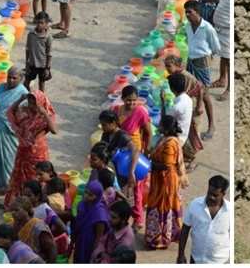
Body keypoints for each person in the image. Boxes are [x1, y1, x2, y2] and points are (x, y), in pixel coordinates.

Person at [3, 91, 57, 208]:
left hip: (38, 152)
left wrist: (44, 113)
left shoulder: (46, 115)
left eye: (34, 103)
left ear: (41, 102)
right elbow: (9, 112)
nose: (32, 105)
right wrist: (19, 100)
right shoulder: (24, 111)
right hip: (23, 150)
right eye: (30, 102)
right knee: (19, 177)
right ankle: (16, 202)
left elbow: (54, 130)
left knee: (37, 177)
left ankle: (34, 204)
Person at [145, 115, 187, 249]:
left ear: (167, 128)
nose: (159, 127)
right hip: (160, 179)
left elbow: (167, 166)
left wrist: (149, 164)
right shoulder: (167, 139)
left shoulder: (170, 143)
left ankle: (160, 239)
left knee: (162, 207)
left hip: (165, 182)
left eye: (161, 125)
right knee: (160, 206)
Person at [112, 86, 152, 228]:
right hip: (120, 155)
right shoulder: (116, 110)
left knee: (136, 187)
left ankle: (138, 218)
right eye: (128, 100)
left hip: (134, 155)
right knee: (120, 186)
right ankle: (122, 216)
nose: (131, 104)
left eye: (134, 101)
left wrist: (146, 150)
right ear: (123, 99)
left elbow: (148, 132)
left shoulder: (140, 112)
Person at [0, 66, 28, 194]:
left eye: (14, 78)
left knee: (9, 158)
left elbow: (24, 116)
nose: (10, 80)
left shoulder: (23, 93)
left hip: (10, 131)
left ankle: (11, 186)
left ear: (21, 79)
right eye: (9, 77)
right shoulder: (1, 87)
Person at [184, 0, 220, 138]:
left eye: (190, 12)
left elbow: (216, 48)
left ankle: (211, 126)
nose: (187, 15)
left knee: (204, 95)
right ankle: (192, 125)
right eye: (186, 12)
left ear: (197, 12)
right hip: (191, 60)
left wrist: (207, 58)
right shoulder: (187, 27)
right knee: (190, 91)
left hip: (203, 61)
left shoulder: (208, 28)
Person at [177, 175, 230, 264]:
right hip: (196, 259)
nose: (211, 197)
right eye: (209, 193)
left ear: (223, 194)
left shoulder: (230, 211)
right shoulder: (195, 205)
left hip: (220, 262)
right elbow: (185, 230)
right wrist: (181, 255)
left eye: (215, 195)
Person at [165, 74, 199, 171]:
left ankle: (183, 165)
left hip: (178, 136)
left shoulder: (177, 106)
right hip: (185, 130)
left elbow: (166, 119)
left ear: (172, 88)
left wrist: (164, 103)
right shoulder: (187, 98)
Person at [9, 196, 57, 263]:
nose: (13, 213)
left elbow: (52, 248)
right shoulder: (15, 224)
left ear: (26, 210)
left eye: (17, 210)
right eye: (11, 211)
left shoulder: (38, 226)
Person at [72, 180, 110, 263]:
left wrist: (94, 255)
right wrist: (72, 242)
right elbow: (77, 223)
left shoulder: (100, 214)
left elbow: (98, 238)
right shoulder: (81, 205)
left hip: (89, 245)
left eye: (90, 195)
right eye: (85, 192)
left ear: (97, 196)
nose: (86, 196)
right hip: (80, 240)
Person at [211, 0, 231, 101]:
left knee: (229, 59)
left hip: (228, 30)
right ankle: (222, 79)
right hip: (220, 30)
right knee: (223, 56)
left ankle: (229, 89)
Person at [25, 12, 53, 91]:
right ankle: (28, 98)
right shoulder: (31, 34)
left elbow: (49, 54)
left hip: (43, 65)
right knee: (26, 82)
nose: (39, 25)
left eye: (41, 23)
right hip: (32, 64)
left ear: (46, 24)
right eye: (37, 22)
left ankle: (41, 100)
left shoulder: (48, 37)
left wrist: (47, 68)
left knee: (41, 84)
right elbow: (27, 49)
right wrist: (27, 64)